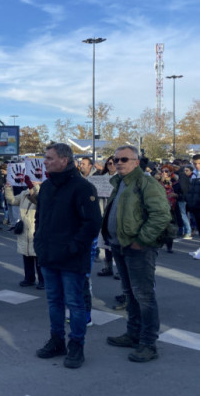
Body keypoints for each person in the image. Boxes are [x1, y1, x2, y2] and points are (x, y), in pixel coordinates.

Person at [34, 143, 101, 369]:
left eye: (49, 158)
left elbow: (92, 224)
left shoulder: (83, 188)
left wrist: (73, 247)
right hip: (48, 255)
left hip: (72, 258)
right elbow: (39, 218)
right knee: (54, 301)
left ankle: (76, 345)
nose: (45, 161)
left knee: (75, 303)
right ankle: (56, 341)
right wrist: (38, 242)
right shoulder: (46, 187)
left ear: (64, 160)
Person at [103, 145, 170, 363]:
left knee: (144, 296)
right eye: (116, 159)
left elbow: (161, 215)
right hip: (119, 246)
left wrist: (141, 240)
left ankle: (148, 343)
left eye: (124, 159)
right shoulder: (120, 182)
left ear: (136, 161)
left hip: (138, 248)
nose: (118, 162)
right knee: (129, 293)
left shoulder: (146, 183)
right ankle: (133, 334)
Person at [5, 177, 44, 289]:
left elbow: (37, 200)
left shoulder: (42, 193)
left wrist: (34, 187)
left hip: (34, 228)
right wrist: (8, 188)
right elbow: (12, 200)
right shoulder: (24, 193)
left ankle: (42, 280)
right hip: (24, 229)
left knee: (38, 257)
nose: (31, 182)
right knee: (26, 255)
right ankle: (29, 278)